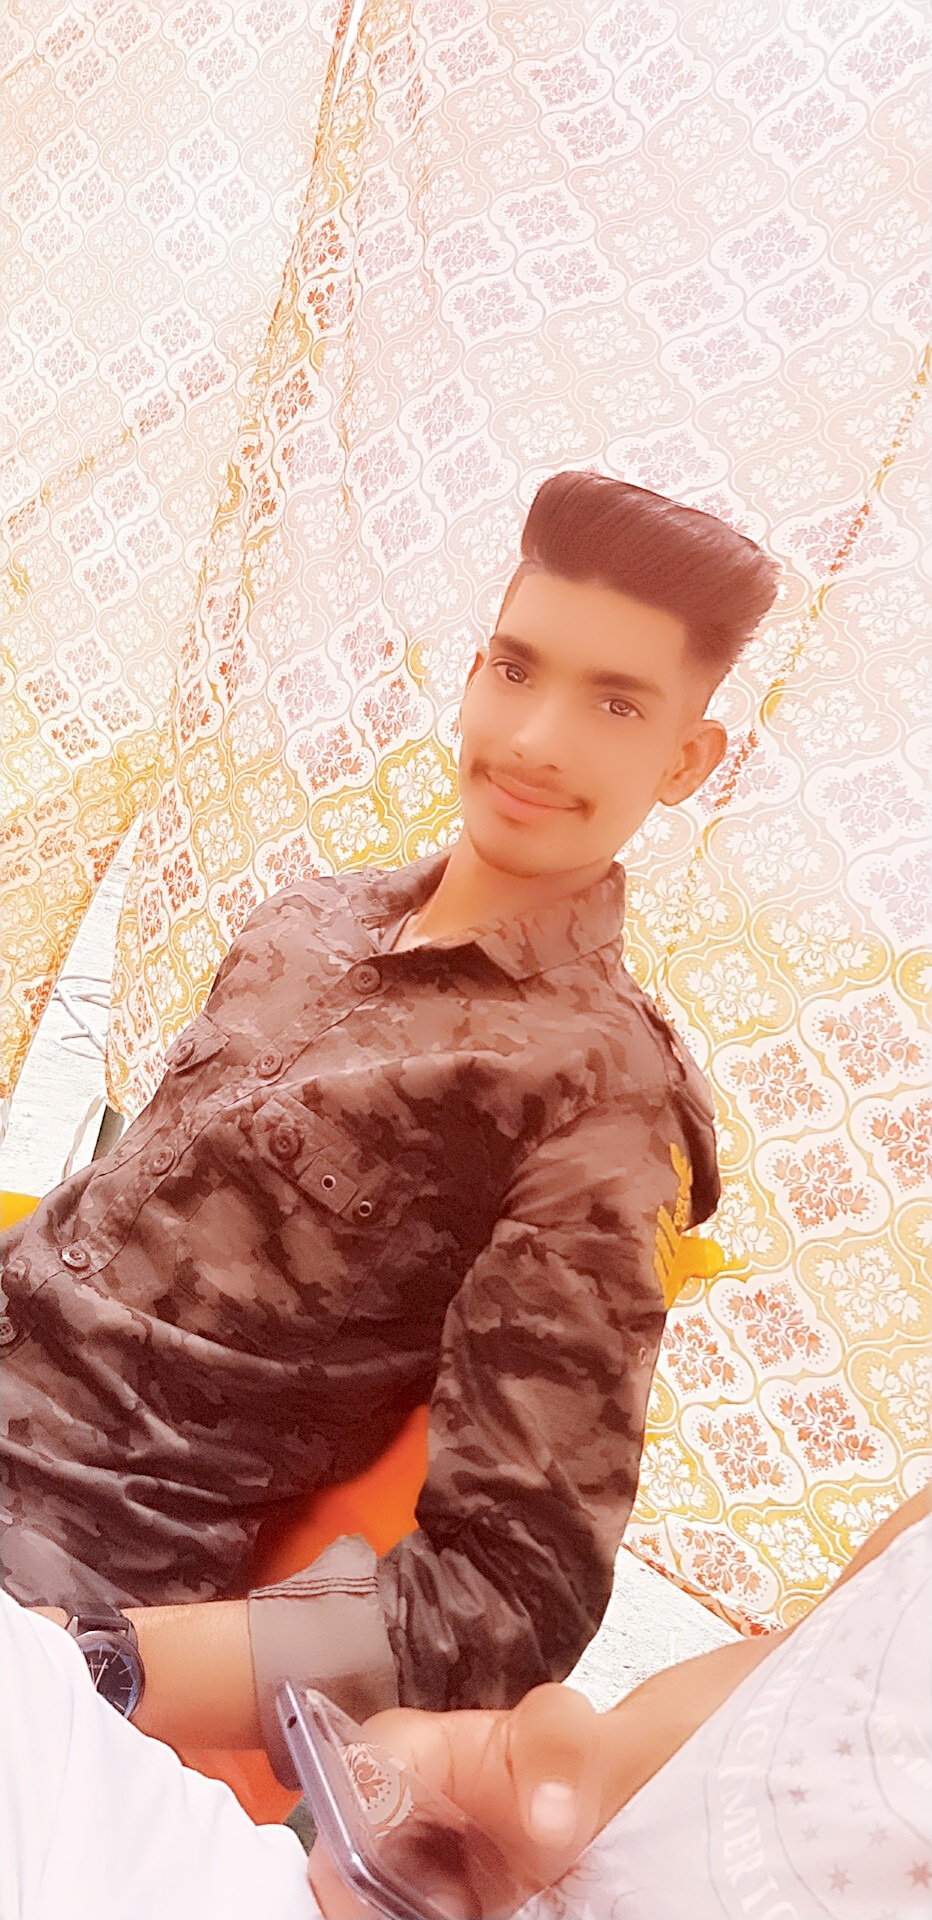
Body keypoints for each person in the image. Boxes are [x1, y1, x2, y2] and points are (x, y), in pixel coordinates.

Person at [1, 473, 778, 1772]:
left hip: (68, 1555)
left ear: (686, 760)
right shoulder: (309, 920)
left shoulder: (595, 1104)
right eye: (516, 670)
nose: (535, 739)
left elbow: (507, 1599)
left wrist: (96, 1667)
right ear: (471, 676)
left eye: (614, 703)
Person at [5, 1489, 929, 1919]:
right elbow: (754, 1721)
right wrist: (485, 1827)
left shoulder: (594, 1169)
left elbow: (492, 1597)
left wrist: (118, 1662)